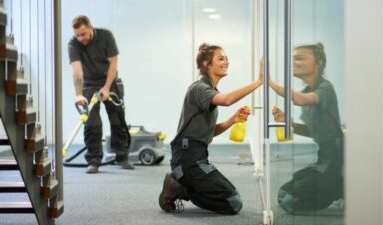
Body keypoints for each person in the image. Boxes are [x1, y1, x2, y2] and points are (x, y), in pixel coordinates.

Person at [159, 43, 263, 214]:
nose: (226, 62)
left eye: (227, 59)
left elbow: (206, 132)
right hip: (187, 159)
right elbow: (227, 100)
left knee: (232, 198)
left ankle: (181, 184)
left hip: (197, 157)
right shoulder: (200, 88)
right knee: (233, 203)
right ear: (207, 64)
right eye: (221, 58)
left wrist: (232, 120)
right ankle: (179, 187)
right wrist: (259, 82)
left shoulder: (209, 90)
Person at [269, 42, 344, 213]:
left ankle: (339, 186)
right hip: (323, 157)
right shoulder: (307, 89)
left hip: (335, 156)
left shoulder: (325, 88)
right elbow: (315, 131)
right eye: (293, 58)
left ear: (319, 63)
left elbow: (300, 99)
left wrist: (269, 83)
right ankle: (339, 186)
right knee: (284, 193)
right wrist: (290, 123)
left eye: (300, 58)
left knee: (291, 202)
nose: (294, 62)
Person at [68, 15, 134, 173]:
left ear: (90, 27)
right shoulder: (73, 43)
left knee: (118, 121)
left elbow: (113, 64)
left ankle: (122, 157)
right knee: (92, 124)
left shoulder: (106, 36)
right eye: (77, 35)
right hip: (89, 85)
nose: (80, 38)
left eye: (83, 34)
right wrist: (78, 94)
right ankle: (94, 160)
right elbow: (77, 72)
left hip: (110, 82)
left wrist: (106, 88)